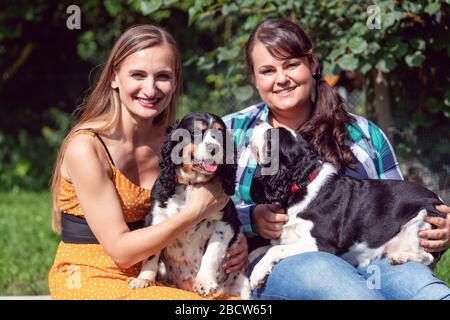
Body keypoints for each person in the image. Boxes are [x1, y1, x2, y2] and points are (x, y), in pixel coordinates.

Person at [223, 18, 450, 300]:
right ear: (255, 79)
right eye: (267, 70)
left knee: (427, 293)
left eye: (291, 64)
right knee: (349, 292)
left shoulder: (365, 135)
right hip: (281, 261)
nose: (281, 79)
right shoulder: (229, 133)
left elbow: (394, 207)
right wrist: (251, 218)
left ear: (313, 64)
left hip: (376, 258)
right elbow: (203, 213)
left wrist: (438, 230)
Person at [48, 24, 248, 300]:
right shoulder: (87, 147)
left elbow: (218, 211)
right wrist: (195, 211)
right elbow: (121, 250)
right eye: (138, 75)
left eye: (163, 77)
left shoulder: (177, 143)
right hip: (92, 273)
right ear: (114, 78)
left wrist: (239, 241)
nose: (150, 89)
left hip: (161, 272)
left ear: (175, 82)